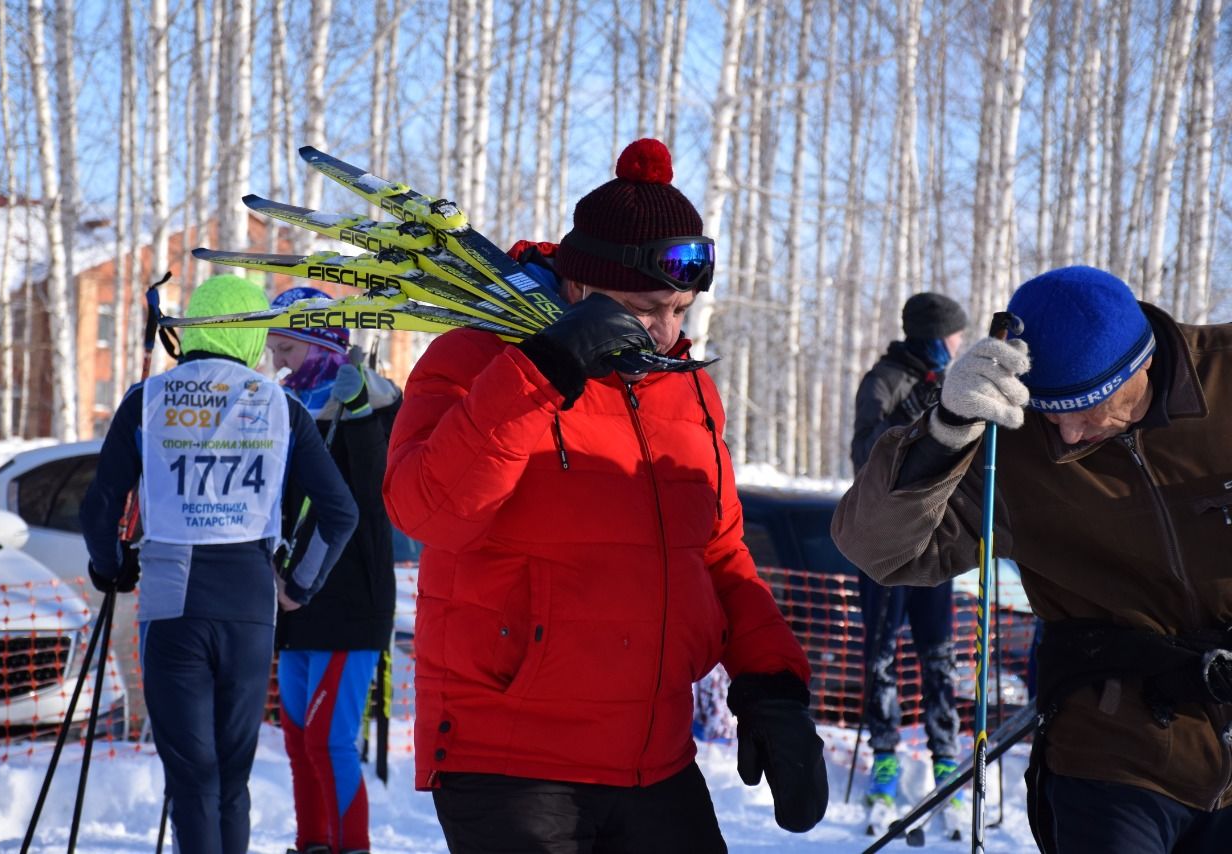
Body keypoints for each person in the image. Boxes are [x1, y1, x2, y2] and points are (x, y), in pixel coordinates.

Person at [382, 138, 829, 853]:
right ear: (582, 290)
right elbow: (424, 508)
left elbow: (717, 556)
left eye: (681, 308)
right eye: (647, 308)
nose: (667, 330)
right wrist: (541, 371)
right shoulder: (474, 360)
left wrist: (771, 686)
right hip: (510, 760)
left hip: (653, 757)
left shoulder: (687, 389)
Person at [832, 265, 1232, 852]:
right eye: (1051, 409)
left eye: (1086, 406)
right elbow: (879, 550)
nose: (1066, 433)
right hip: (1112, 751)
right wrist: (944, 431)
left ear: (1141, 364)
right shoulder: (1013, 438)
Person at [80, 274, 358, 854]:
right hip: (250, 606)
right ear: (254, 336)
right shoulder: (281, 407)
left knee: (192, 781)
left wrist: (110, 567)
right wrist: (299, 585)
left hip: (173, 604)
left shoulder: (149, 398)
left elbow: (102, 503)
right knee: (231, 781)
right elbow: (339, 513)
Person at [267, 287, 403, 854]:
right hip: (294, 597)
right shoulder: (282, 407)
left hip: (350, 599)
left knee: (329, 739)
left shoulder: (377, 400)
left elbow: (374, 495)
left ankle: (353, 845)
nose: (276, 362)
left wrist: (357, 414)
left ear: (321, 346)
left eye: (287, 350)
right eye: (272, 349)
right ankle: (312, 843)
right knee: (299, 740)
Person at [848, 292, 968, 833]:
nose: (959, 345)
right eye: (953, 337)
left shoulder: (948, 383)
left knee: (938, 654)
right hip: (882, 544)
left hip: (934, 545)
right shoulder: (884, 380)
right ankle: (886, 759)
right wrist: (917, 421)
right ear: (932, 337)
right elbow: (866, 454)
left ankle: (947, 761)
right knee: (881, 656)